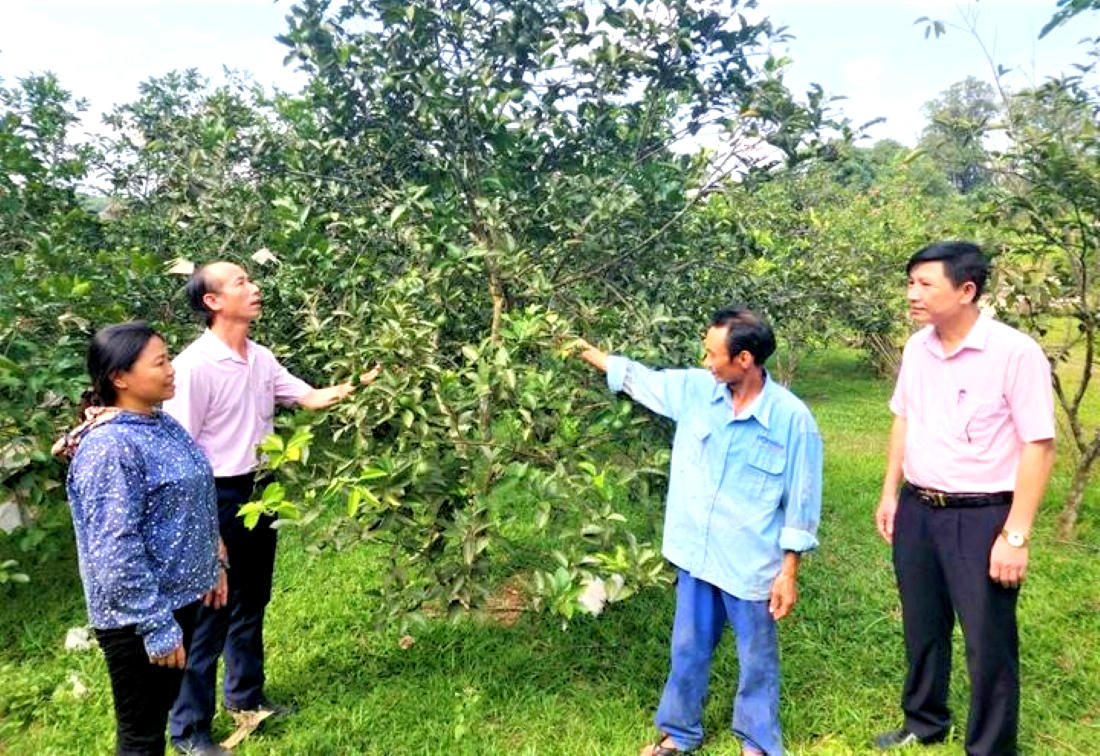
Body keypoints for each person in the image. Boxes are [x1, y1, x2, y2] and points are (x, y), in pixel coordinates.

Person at [573, 307, 822, 756]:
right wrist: (587, 352)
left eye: (712, 354)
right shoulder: (696, 390)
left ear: (744, 359)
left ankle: (757, 741)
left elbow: (801, 503)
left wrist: (789, 572)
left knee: (756, 659)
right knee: (687, 648)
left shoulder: (792, 420)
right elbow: (641, 379)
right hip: (696, 553)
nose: (705, 362)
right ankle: (680, 731)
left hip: (750, 563)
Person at [165, 261, 379, 754]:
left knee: (251, 598)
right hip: (213, 495)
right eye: (241, 282)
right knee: (209, 611)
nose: (254, 287)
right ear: (213, 301)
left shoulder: (260, 357)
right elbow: (179, 453)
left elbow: (309, 397)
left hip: (261, 489)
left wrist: (363, 383)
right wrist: (203, 527)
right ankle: (190, 730)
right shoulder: (194, 366)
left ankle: (245, 696)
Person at [873, 242, 1055, 755]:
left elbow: (1039, 446)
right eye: (910, 283)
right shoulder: (917, 348)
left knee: (987, 638)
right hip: (918, 508)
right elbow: (903, 417)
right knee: (923, 625)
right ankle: (924, 720)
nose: (912, 294)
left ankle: (991, 747)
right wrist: (890, 493)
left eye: (925, 284)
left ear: (966, 290)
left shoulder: (1014, 353)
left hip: (982, 515)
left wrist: (1015, 535)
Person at [58, 321, 227, 756]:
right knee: (142, 738)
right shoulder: (110, 448)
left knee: (155, 719)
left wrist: (214, 557)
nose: (172, 369)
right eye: (160, 362)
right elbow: (115, 551)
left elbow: (192, 495)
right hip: (138, 617)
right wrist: (155, 625)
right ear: (120, 377)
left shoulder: (159, 423)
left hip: (177, 601)